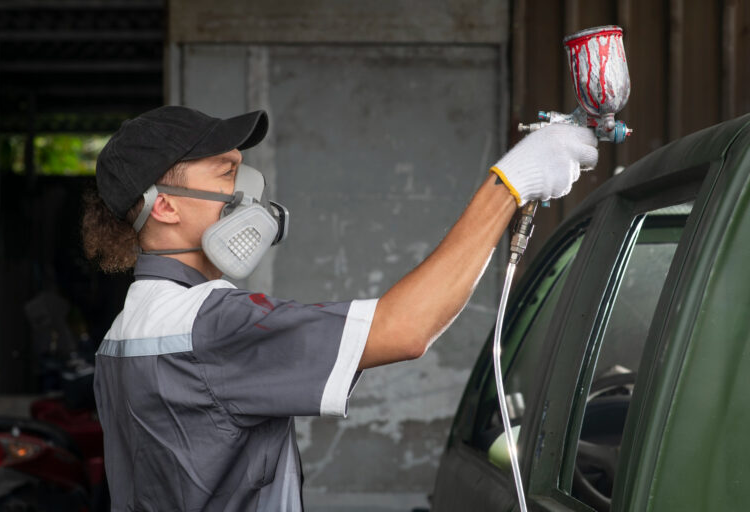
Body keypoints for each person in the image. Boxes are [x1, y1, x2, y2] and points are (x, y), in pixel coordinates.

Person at [82, 106, 598, 511]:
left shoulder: (122, 332)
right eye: (225, 175)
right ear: (166, 205)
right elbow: (405, 328)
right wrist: (509, 185)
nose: (246, 193)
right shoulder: (210, 325)